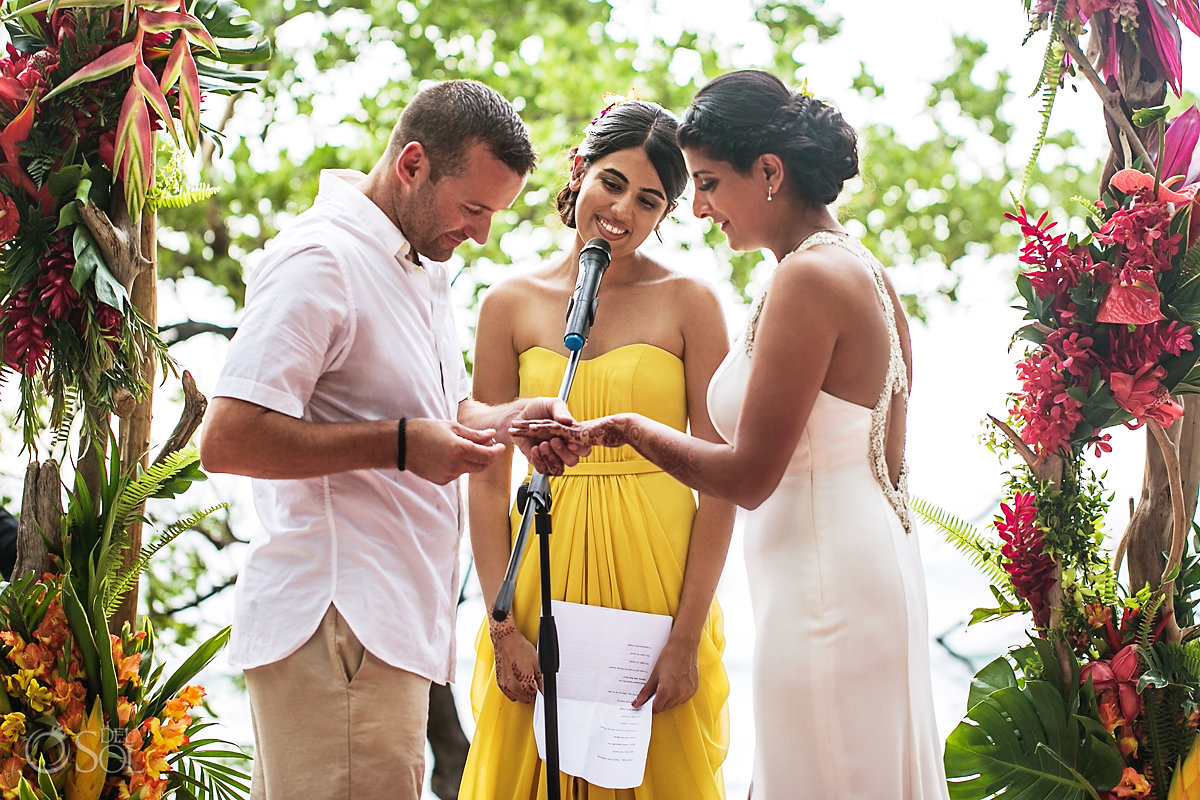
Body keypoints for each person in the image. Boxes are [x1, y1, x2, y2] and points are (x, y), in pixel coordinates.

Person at [512, 71, 950, 799]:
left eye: (709, 182)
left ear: (770, 173)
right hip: (861, 563)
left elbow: (748, 476)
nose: (702, 206)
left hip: (825, 587)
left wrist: (627, 429)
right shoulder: (859, 267)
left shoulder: (807, 280)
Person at [199, 79, 584, 800]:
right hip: (340, 629)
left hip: (388, 627)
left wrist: (512, 419)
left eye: (494, 214)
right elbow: (229, 438)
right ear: (412, 165)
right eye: (473, 208)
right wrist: (402, 446)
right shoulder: (322, 259)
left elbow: (438, 414)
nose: (480, 234)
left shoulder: (415, 265)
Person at [459, 98, 735, 800]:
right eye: (612, 183)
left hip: (659, 580)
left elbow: (722, 482)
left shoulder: (692, 304)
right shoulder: (508, 303)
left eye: (649, 200)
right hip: (540, 575)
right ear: (579, 172)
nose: (622, 211)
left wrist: (684, 638)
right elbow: (486, 478)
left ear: (667, 213)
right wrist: (501, 627)